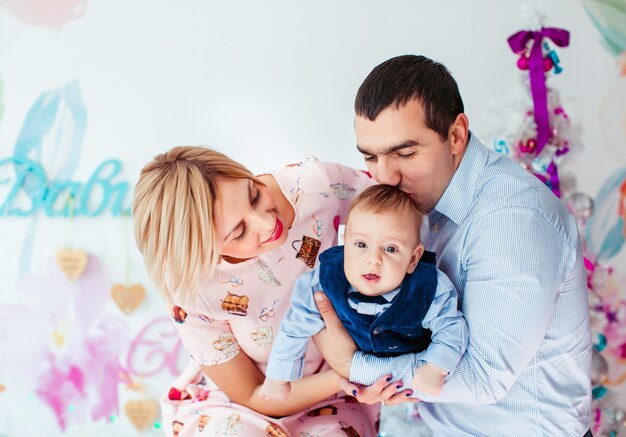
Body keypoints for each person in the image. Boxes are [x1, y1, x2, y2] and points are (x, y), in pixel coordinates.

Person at [312, 55, 592, 436]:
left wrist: (355, 363)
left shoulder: (512, 220)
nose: (385, 176)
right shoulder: (421, 199)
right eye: (371, 156)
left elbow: (482, 377)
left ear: (456, 135)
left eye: (405, 154)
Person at [132, 146, 402, 437]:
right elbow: (251, 393)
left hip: (337, 399)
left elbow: (405, 213)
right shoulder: (192, 288)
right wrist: (349, 372)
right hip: (237, 407)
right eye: (238, 232)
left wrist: (360, 370)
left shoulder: (316, 186)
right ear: (205, 251)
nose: (267, 222)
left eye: (254, 194)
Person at [260, 184, 467, 400]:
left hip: (410, 370)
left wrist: (436, 366)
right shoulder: (324, 279)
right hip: (348, 381)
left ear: (413, 259)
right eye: (360, 244)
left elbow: (452, 326)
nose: (373, 259)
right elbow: (295, 326)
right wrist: (277, 377)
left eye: (390, 249)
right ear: (345, 242)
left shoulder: (429, 288)